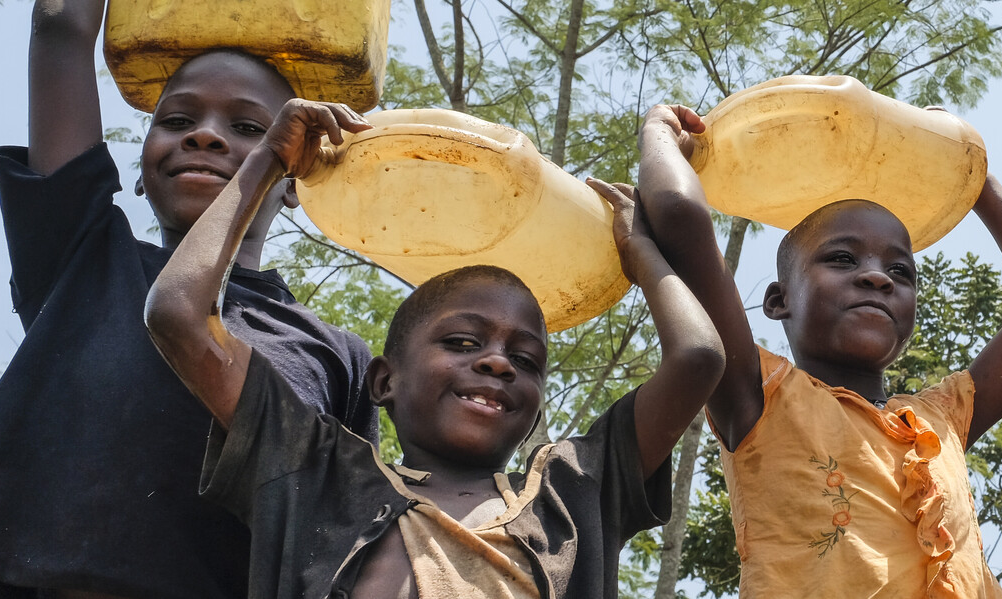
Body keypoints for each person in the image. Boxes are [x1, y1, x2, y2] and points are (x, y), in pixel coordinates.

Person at [141, 98, 725, 598]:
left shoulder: (573, 494)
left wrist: (640, 251)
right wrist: (269, 159)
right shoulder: (314, 471)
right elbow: (177, 315)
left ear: (537, 413)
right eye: (462, 341)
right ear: (383, 382)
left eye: (525, 360)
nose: (497, 361)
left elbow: (699, 358)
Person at [0, 1, 376, 596]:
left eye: (251, 129)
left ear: (294, 180)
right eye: (175, 120)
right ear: (140, 170)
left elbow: (341, 539)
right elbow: (61, 25)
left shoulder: (340, 355)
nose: (204, 134)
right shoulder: (85, 257)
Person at [635, 103, 1002, 597]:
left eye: (901, 272)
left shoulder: (941, 419)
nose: (877, 276)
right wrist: (660, 132)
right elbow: (679, 216)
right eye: (841, 258)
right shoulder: (759, 396)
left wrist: (973, 179)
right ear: (778, 301)